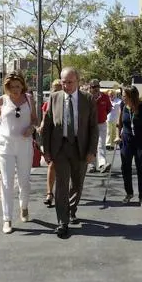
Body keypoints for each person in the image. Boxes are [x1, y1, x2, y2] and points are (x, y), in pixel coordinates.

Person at [0, 72, 38, 234]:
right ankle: (7, 219)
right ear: (7, 87)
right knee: (6, 182)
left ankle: (24, 207)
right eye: (12, 87)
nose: (16, 90)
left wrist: (31, 128)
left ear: (23, 85)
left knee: (24, 181)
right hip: (5, 146)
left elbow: (35, 120)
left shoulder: (29, 99)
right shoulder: (1, 101)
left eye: (18, 86)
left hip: (24, 145)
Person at [41, 67, 98, 238]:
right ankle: (62, 222)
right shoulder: (54, 98)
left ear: (78, 81)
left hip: (81, 148)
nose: (66, 86)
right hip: (61, 148)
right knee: (61, 186)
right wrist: (46, 150)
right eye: (63, 82)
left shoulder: (87, 99)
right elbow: (48, 126)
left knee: (77, 184)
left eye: (70, 82)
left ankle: (72, 209)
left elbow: (93, 128)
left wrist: (91, 151)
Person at [114, 86, 142, 207]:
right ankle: (129, 193)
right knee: (125, 167)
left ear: (132, 97)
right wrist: (117, 136)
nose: (123, 98)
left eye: (125, 96)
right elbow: (118, 123)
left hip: (141, 141)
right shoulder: (122, 106)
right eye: (122, 96)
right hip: (126, 141)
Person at [41, 79, 62, 207]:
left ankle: (65, 194)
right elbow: (45, 119)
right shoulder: (49, 103)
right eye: (55, 87)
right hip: (53, 140)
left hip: (67, 139)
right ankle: (49, 193)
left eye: (59, 87)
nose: (57, 89)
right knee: (52, 165)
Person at [87, 79, 112, 173]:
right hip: (89, 125)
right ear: (90, 88)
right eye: (93, 87)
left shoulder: (105, 97)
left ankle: (102, 164)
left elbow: (109, 109)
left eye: (97, 86)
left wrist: (102, 115)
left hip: (102, 124)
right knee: (91, 144)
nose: (96, 88)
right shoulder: (87, 97)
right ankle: (91, 164)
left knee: (101, 144)